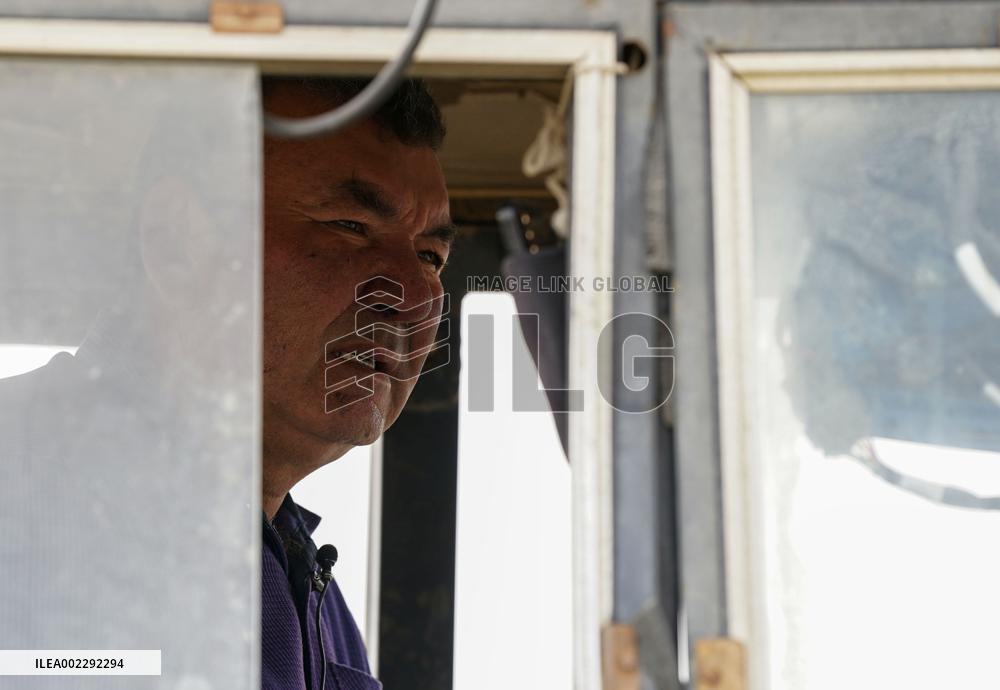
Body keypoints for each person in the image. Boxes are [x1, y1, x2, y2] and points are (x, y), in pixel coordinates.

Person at [260, 76, 453, 690]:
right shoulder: (28, 499)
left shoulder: (315, 601)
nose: (418, 296)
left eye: (430, 256)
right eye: (348, 225)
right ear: (180, 243)